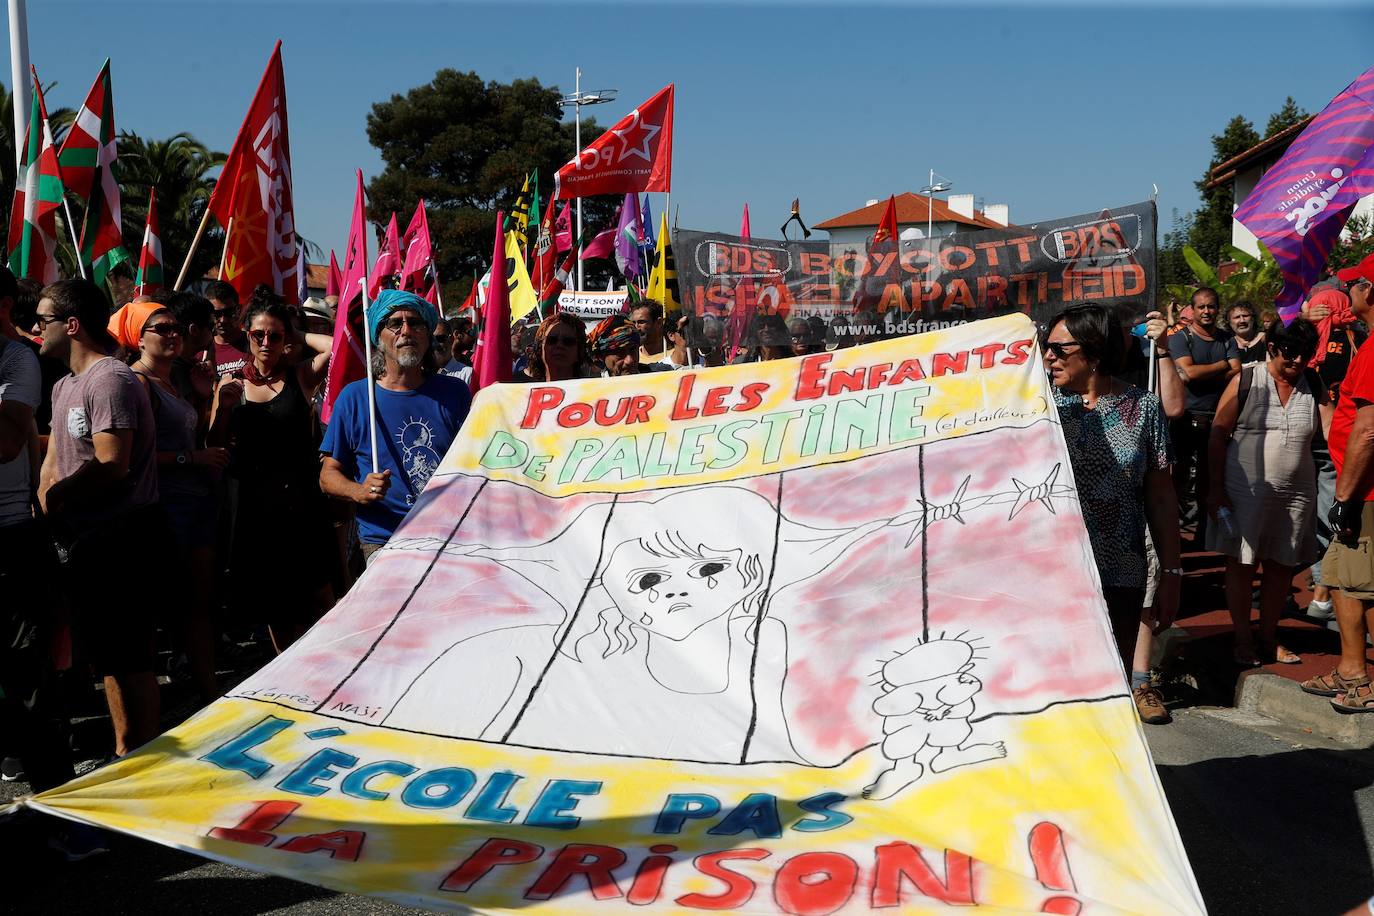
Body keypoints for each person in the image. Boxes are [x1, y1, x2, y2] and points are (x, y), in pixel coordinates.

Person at [33, 278, 166, 757]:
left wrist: (61, 496)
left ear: (71, 325)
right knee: (108, 658)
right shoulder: (66, 385)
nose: (36, 329)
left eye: (43, 320)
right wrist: (43, 501)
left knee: (131, 658)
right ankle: (123, 751)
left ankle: (146, 757)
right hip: (82, 541)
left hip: (123, 540)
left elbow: (112, 461)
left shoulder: (110, 377)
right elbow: (56, 458)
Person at [1044, 304, 1180, 724]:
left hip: (1120, 575)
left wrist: (1172, 574)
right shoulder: (1037, 410)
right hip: (1050, 579)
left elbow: (1160, 498)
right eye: (1044, 348)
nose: (1048, 357)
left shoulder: (1143, 409)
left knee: (1107, 696)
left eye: (1058, 349)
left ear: (1094, 352)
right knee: (1052, 697)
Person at [109, 300, 228, 703]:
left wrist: (204, 397)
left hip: (193, 506)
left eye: (176, 326)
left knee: (197, 603)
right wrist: (189, 459)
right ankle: (194, 692)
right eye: (162, 328)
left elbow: (196, 439)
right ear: (138, 339)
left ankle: (201, 686)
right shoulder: (135, 383)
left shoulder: (172, 381)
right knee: (181, 606)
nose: (174, 333)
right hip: (164, 507)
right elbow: (131, 455)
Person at [209, 287, 335, 653]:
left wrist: (297, 333)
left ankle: (334, 663)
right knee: (274, 604)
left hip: (301, 503)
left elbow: (338, 346)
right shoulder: (231, 384)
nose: (266, 342)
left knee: (320, 592)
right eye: (258, 334)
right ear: (246, 335)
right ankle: (290, 672)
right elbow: (213, 445)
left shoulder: (300, 375)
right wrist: (225, 408)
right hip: (255, 508)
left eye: (274, 335)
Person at [1207, 318, 1330, 666]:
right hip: (1243, 490)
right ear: (1272, 348)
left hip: (1297, 494)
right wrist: (1215, 491)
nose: (1297, 362)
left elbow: (1335, 430)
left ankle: (1267, 636)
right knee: (1243, 564)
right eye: (1290, 355)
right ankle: (1242, 638)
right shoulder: (1246, 378)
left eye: (1305, 355)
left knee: (1281, 566)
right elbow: (1218, 436)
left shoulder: (1313, 383)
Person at [321, 290, 471, 562]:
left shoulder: (455, 393)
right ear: (379, 338)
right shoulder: (356, 398)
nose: (406, 331)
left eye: (416, 323)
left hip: (449, 538)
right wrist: (360, 491)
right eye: (395, 323)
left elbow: (476, 460)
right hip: (384, 541)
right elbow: (327, 476)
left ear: (427, 336)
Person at [1307, 255, 1374, 711]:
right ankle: (1351, 669)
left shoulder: (1371, 349)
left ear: (1370, 291)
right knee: (1347, 581)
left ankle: (1361, 682)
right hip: (1363, 488)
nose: (1347, 292)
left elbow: (1368, 429)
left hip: (1365, 490)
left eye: (1353, 285)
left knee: (1360, 584)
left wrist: (1346, 497)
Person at [1303, 286, 1366, 618]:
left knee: (1310, 517)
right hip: (1336, 441)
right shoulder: (1358, 339)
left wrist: (1301, 318)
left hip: (1307, 439)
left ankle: (1322, 589)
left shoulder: (1305, 340)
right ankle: (1323, 591)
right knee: (1330, 515)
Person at [1167, 287, 1240, 540]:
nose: (1207, 311)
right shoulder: (1180, 338)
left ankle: (1204, 534)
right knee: (1178, 478)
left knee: (1211, 479)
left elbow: (1238, 370)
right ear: (1193, 310)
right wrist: (1221, 366)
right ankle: (1171, 535)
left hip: (1218, 419)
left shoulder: (1226, 338)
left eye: (1211, 306)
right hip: (1185, 419)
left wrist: (1202, 371)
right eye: (1201, 307)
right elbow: (1189, 373)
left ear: (1217, 309)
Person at [512, 312, 591, 383]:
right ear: (540, 348)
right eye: (552, 340)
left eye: (568, 341)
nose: (559, 345)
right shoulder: (514, 388)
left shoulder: (593, 392)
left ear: (579, 351)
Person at [589, 314, 666, 377]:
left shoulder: (660, 376)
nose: (630, 360)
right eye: (620, 353)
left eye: (633, 350)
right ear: (602, 356)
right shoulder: (588, 387)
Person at [207, 280, 249, 376]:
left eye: (228, 312)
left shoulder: (254, 343)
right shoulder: (203, 352)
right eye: (217, 314)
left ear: (238, 309)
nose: (223, 320)